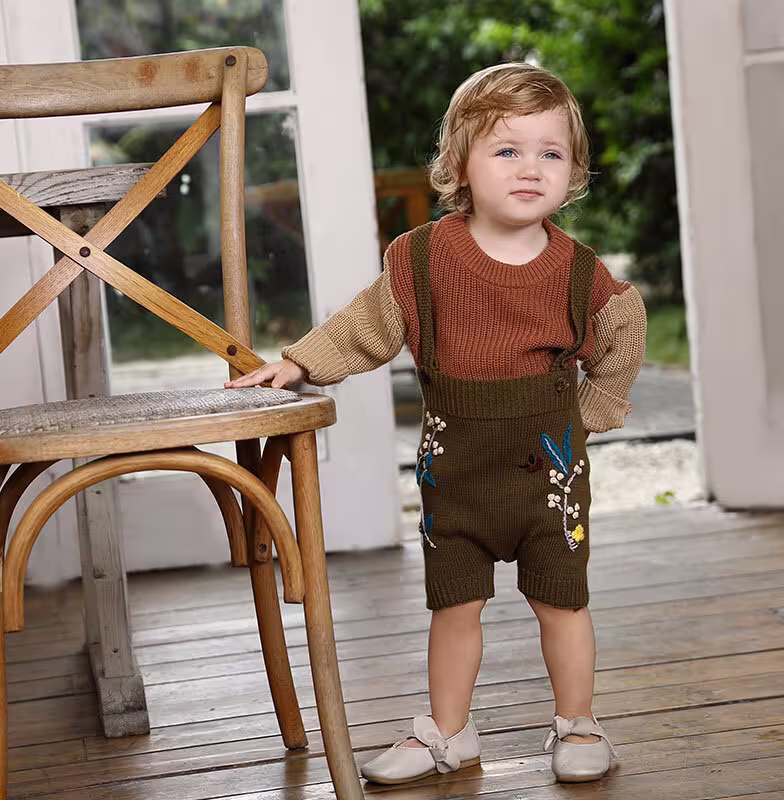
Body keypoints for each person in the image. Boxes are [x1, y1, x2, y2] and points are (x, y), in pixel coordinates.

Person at [226, 62, 646, 784]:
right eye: (506, 150)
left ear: (573, 171)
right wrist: (298, 363)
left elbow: (623, 327)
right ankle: (449, 733)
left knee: (561, 603)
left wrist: (598, 406)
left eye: (550, 153)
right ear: (459, 164)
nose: (530, 168)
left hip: (548, 481)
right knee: (455, 606)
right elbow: (365, 323)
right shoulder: (422, 260)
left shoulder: (578, 273)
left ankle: (578, 723)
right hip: (454, 480)